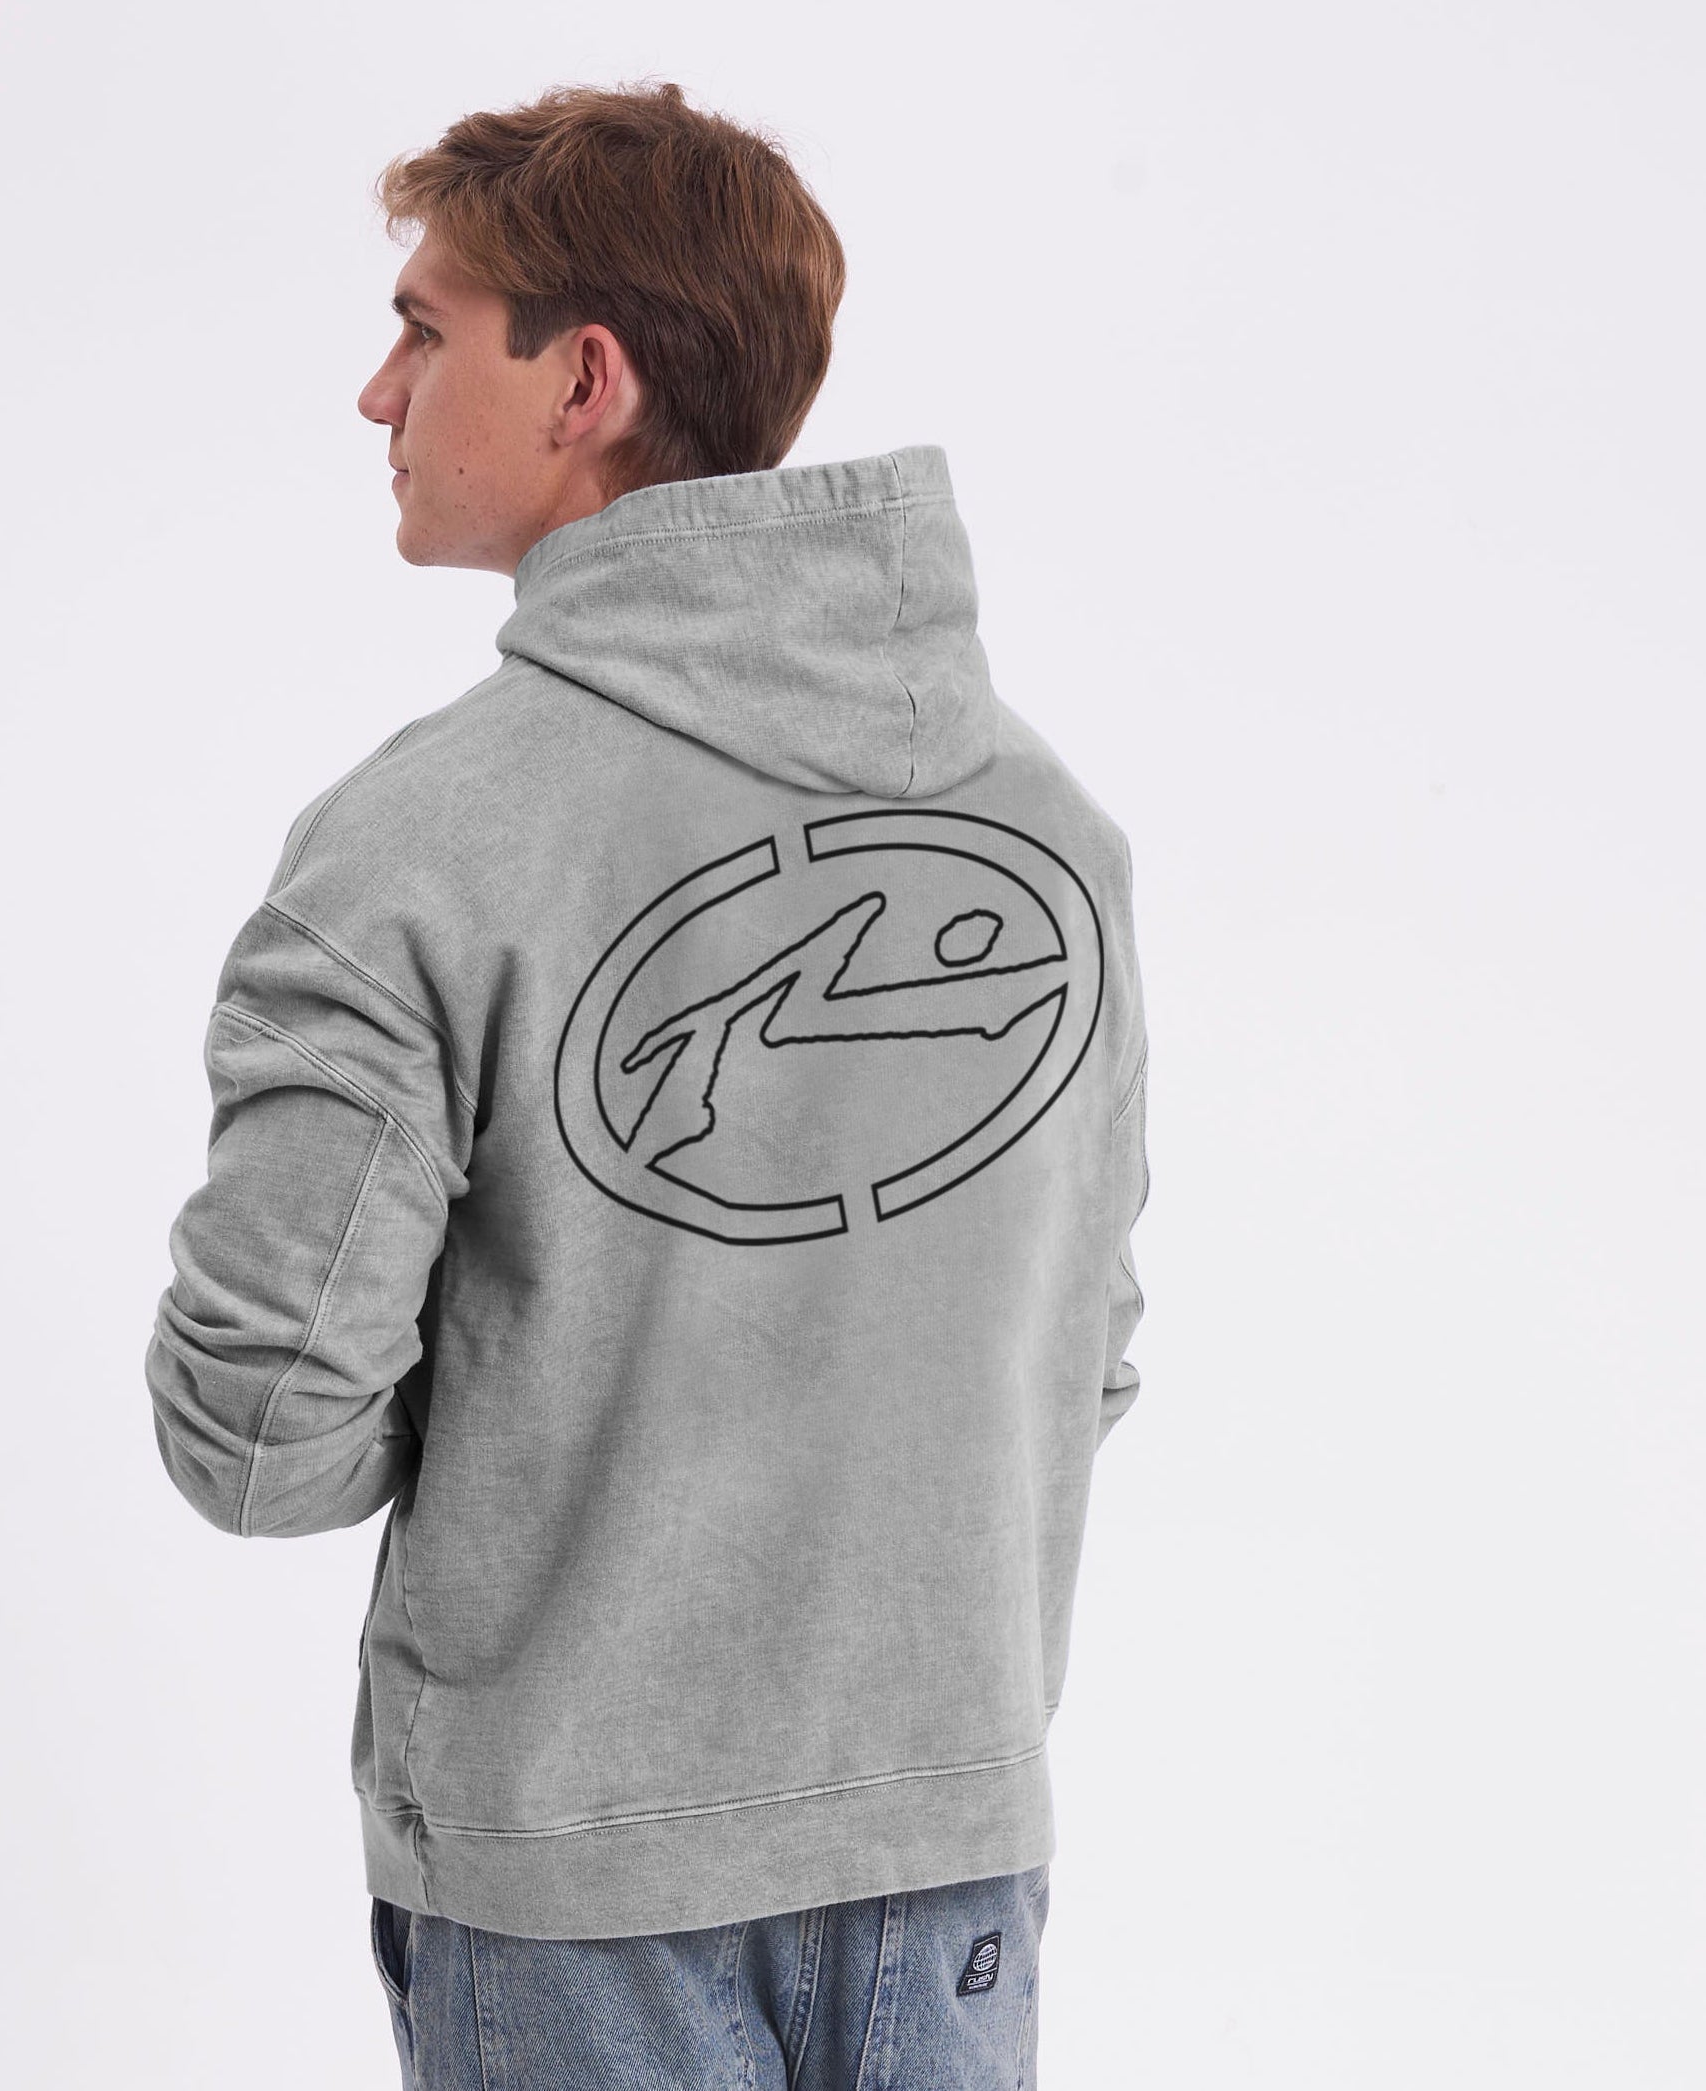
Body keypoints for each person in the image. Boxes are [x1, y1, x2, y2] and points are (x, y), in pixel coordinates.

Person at [144, 79, 1151, 2090]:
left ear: (583, 380)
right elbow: (1084, 1356)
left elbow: (256, 1441)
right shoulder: (1047, 828)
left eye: (424, 331)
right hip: (951, 1848)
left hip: (574, 1890)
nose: (376, 393)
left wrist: (561, 1392)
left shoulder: (418, 845)